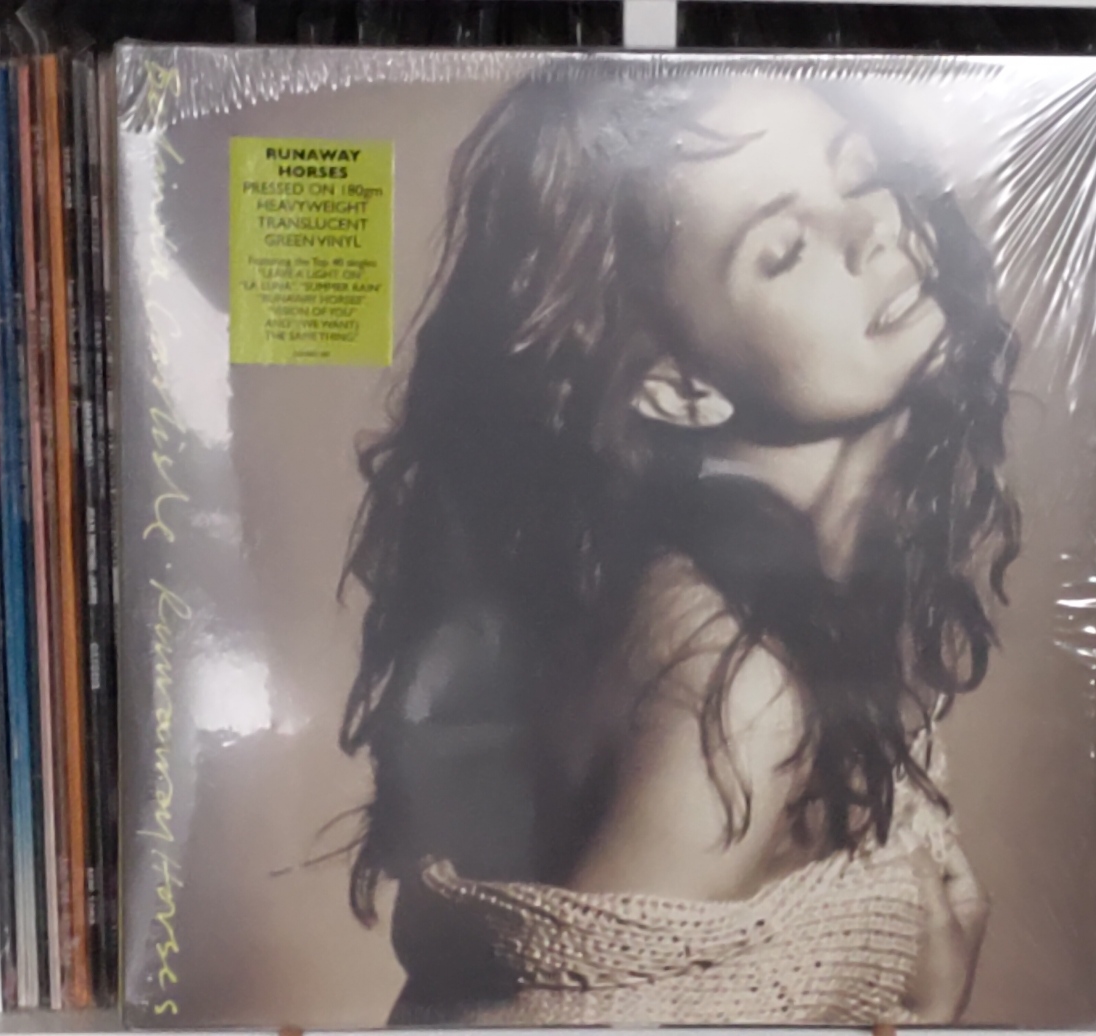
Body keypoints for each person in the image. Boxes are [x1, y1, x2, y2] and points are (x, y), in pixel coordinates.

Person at [338, 63, 1021, 1026]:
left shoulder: (814, 595)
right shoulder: (731, 688)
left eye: (859, 173)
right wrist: (925, 1020)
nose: (869, 230)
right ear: (678, 389)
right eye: (784, 249)